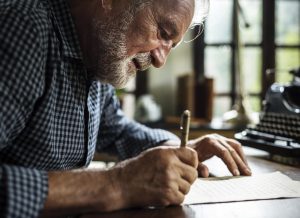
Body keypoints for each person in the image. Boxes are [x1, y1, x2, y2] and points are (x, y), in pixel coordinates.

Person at [0, 0, 252, 217]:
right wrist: (117, 184)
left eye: (170, 46)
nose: (160, 60)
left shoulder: (97, 54)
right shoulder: (23, 28)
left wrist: (180, 149)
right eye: (163, 32)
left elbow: (117, 130)